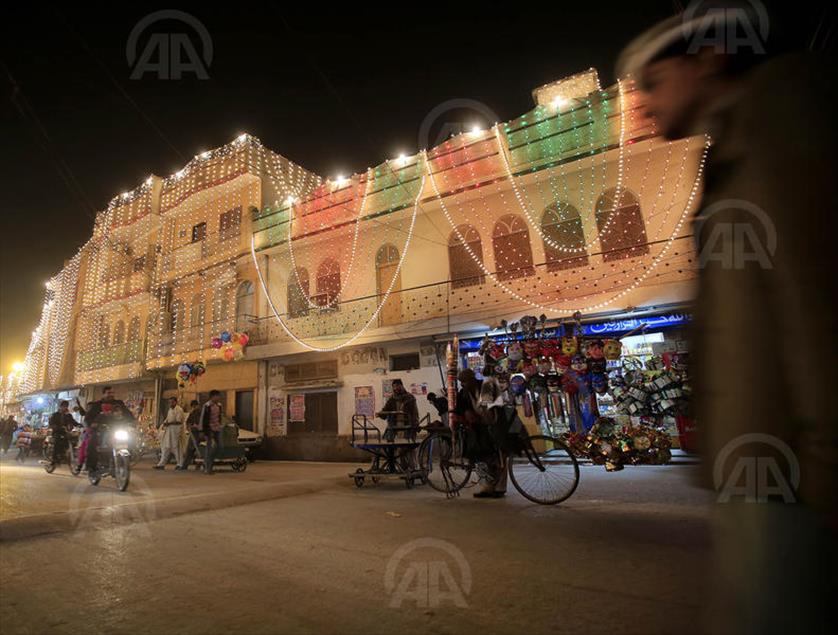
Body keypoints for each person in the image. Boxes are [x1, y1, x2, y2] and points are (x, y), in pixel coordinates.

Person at [617, 9, 836, 634]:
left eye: (653, 82)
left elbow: (816, 303)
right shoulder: (732, 146)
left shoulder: (781, 124)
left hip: (789, 477)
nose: (643, 107)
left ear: (709, 58)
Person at [452, 368, 508, 498]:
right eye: (461, 382)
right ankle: (486, 488)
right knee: (479, 456)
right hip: (479, 428)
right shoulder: (464, 393)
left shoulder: (487, 386)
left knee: (501, 457)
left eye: (465, 381)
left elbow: (494, 408)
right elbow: (460, 408)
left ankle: (500, 488)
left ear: (472, 379)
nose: (463, 384)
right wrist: (466, 412)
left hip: (495, 424)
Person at [83, 386, 134, 472]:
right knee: (93, 442)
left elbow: (127, 413)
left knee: (130, 441)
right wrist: (91, 424)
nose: (111, 395)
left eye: (112, 393)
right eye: (109, 393)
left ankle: (124, 462)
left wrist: (132, 421)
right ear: (103, 394)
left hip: (115, 429)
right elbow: (88, 417)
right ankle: (91, 466)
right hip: (101, 429)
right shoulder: (97, 405)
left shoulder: (119, 403)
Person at [156, 397, 185, 470]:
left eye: (172, 402)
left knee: (177, 449)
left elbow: (179, 421)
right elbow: (168, 419)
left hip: (176, 432)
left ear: (176, 402)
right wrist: (165, 423)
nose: (170, 404)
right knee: (165, 448)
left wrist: (169, 423)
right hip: (169, 432)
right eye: (170, 402)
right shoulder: (170, 410)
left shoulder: (179, 410)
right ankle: (161, 464)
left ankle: (180, 464)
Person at [199, 390, 224, 475]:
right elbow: (203, 418)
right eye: (217, 396)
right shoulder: (207, 406)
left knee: (220, 446)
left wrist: (221, 425)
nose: (218, 398)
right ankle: (207, 467)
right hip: (209, 429)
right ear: (212, 397)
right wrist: (202, 431)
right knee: (209, 448)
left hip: (217, 428)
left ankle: (209, 463)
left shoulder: (219, 405)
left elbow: (220, 416)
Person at [47, 400, 75, 466]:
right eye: (64, 406)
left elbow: (73, 421)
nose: (65, 408)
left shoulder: (68, 415)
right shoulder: (55, 415)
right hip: (57, 432)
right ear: (61, 406)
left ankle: (63, 455)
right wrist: (55, 427)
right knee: (57, 442)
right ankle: (54, 460)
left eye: (66, 406)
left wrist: (79, 424)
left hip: (65, 432)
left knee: (68, 442)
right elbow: (51, 422)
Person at [178, 400, 202, 470]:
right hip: (193, 434)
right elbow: (188, 422)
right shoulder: (192, 413)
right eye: (193, 407)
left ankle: (198, 465)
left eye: (195, 406)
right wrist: (190, 426)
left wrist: (198, 426)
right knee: (190, 450)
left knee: (199, 450)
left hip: (200, 433)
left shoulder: (202, 413)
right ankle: (185, 465)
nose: (195, 407)